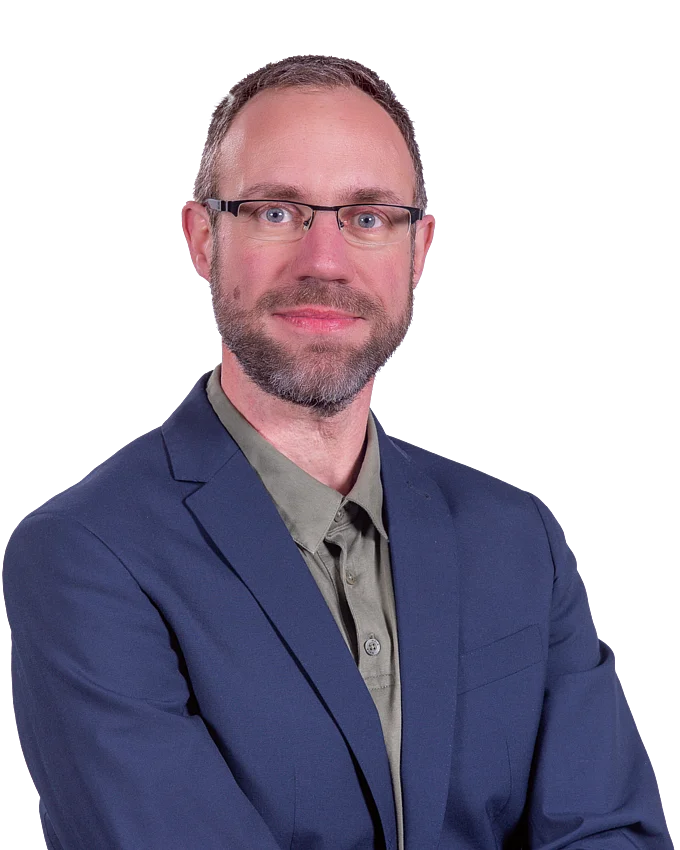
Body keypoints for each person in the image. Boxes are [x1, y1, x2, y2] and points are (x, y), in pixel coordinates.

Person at [2, 55, 671, 850]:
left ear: (419, 248)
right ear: (203, 238)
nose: (324, 261)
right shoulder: (86, 556)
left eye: (368, 217)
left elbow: (614, 835)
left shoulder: (517, 537)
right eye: (277, 211)